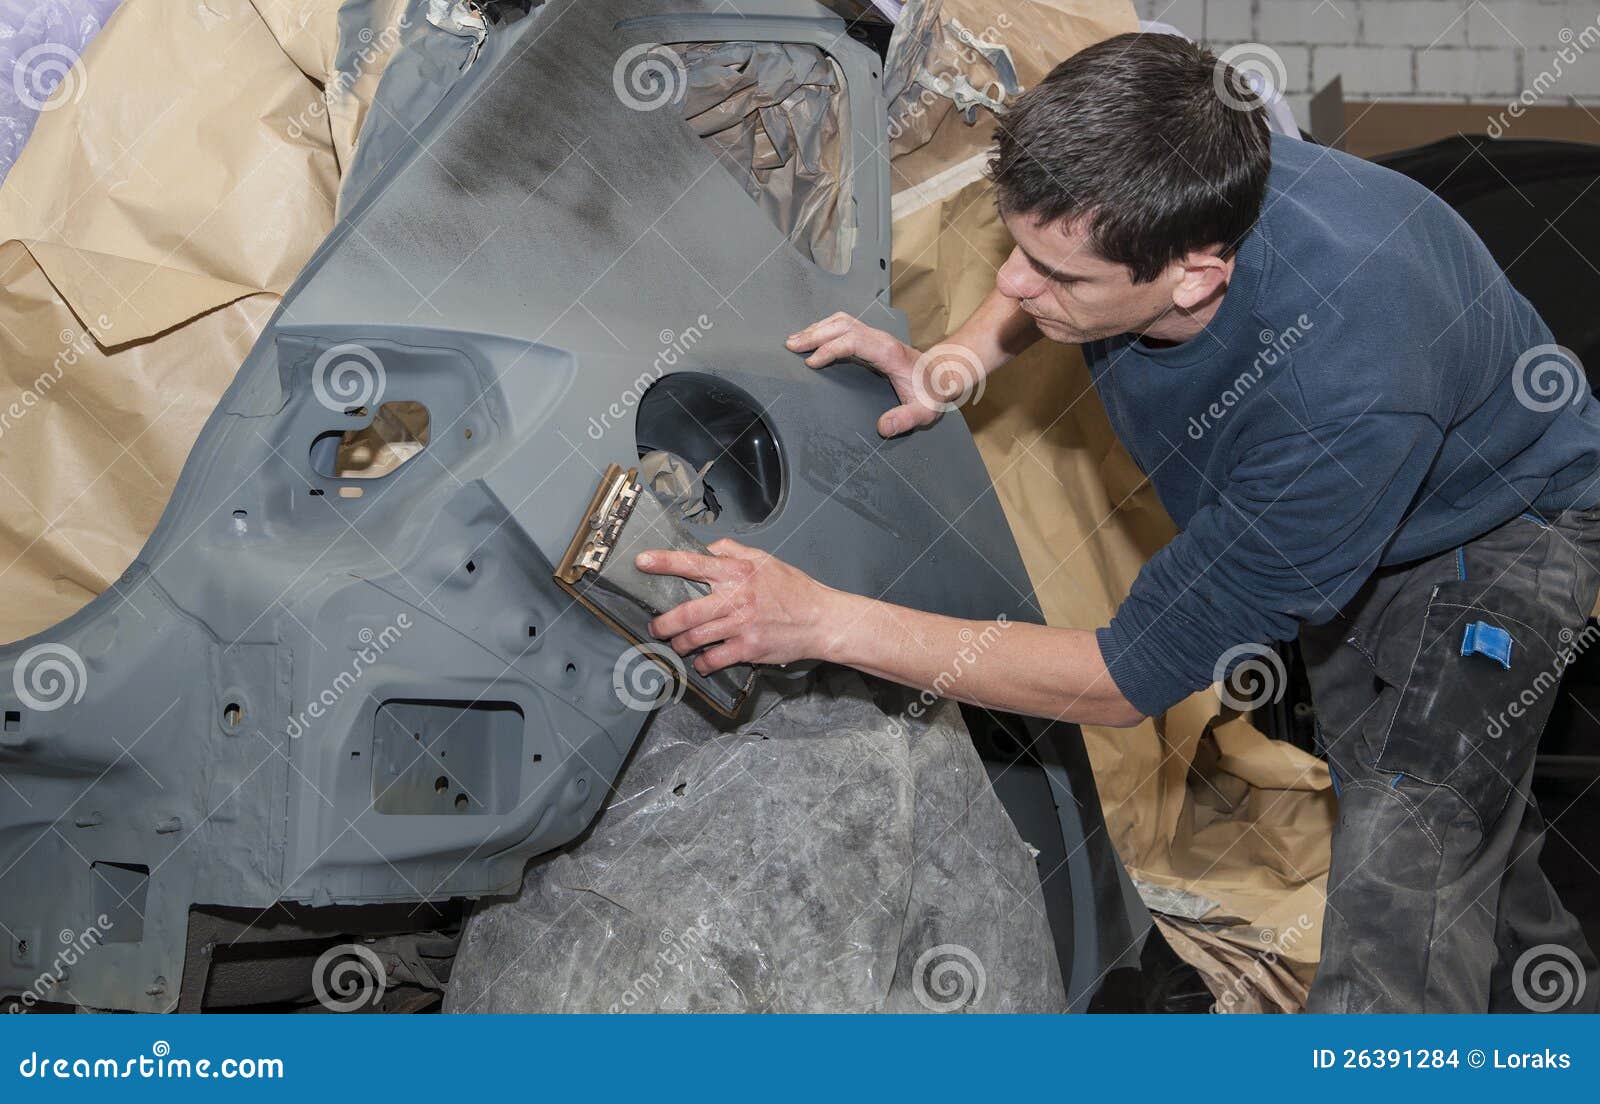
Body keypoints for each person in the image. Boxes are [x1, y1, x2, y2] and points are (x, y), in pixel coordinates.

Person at [634, 32, 1600, 1012]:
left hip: (1503, 532)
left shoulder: (1339, 397)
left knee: (1403, 879)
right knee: (1456, 811)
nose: (1014, 285)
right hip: (1358, 518)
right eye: (1017, 248)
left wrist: (818, 622)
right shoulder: (1176, 178)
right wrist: (949, 366)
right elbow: (1041, 267)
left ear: (1192, 278)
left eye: (1059, 279)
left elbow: (1115, 681)